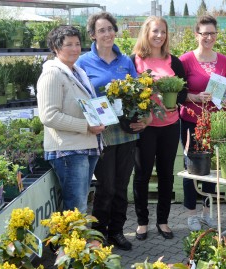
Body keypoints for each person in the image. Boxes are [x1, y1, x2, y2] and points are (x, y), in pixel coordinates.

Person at [76, 11, 147, 251]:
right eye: (101, 30)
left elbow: (138, 93)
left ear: (115, 31)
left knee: (121, 185)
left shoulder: (125, 61)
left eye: (110, 29)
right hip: (101, 132)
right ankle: (98, 235)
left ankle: (117, 231)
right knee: (105, 187)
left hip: (126, 132)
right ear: (93, 35)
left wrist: (145, 117)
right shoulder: (83, 63)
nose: (107, 34)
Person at [129, 16, 187, 240]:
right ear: (146, 32)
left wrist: (174, 101)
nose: (159, 36)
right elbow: (128, 91)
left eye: (163, 32)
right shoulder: (134, 60)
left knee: (166, 175)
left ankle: (163, 221)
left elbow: (182, 90)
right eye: (155, 31)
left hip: (170, 125)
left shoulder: (174, 62)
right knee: (142, 174)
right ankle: (142, 222)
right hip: (145, 127)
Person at [37, 25, 105, 214]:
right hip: (68, 150)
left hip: (85, 146)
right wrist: (86, 126)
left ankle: (76, 243)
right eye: (69, 45)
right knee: (76, 207)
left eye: (77, 44)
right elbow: (49, 116)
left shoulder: (76, 72)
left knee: (80, 204)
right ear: (56, 48)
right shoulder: (52, 74)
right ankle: (72, 243)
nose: (75, 49)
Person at [179, 15, 226, 231]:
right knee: (191, 167)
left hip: (215, 123)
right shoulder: (185, 60)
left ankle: (207, 212)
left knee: (212, 169)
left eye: (212, 33)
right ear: (196, 35)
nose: (208, 37)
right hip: (191, 120)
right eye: (204, 33)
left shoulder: (224, 61)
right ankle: (191, 214)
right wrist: (196, 97)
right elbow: (179, 93)